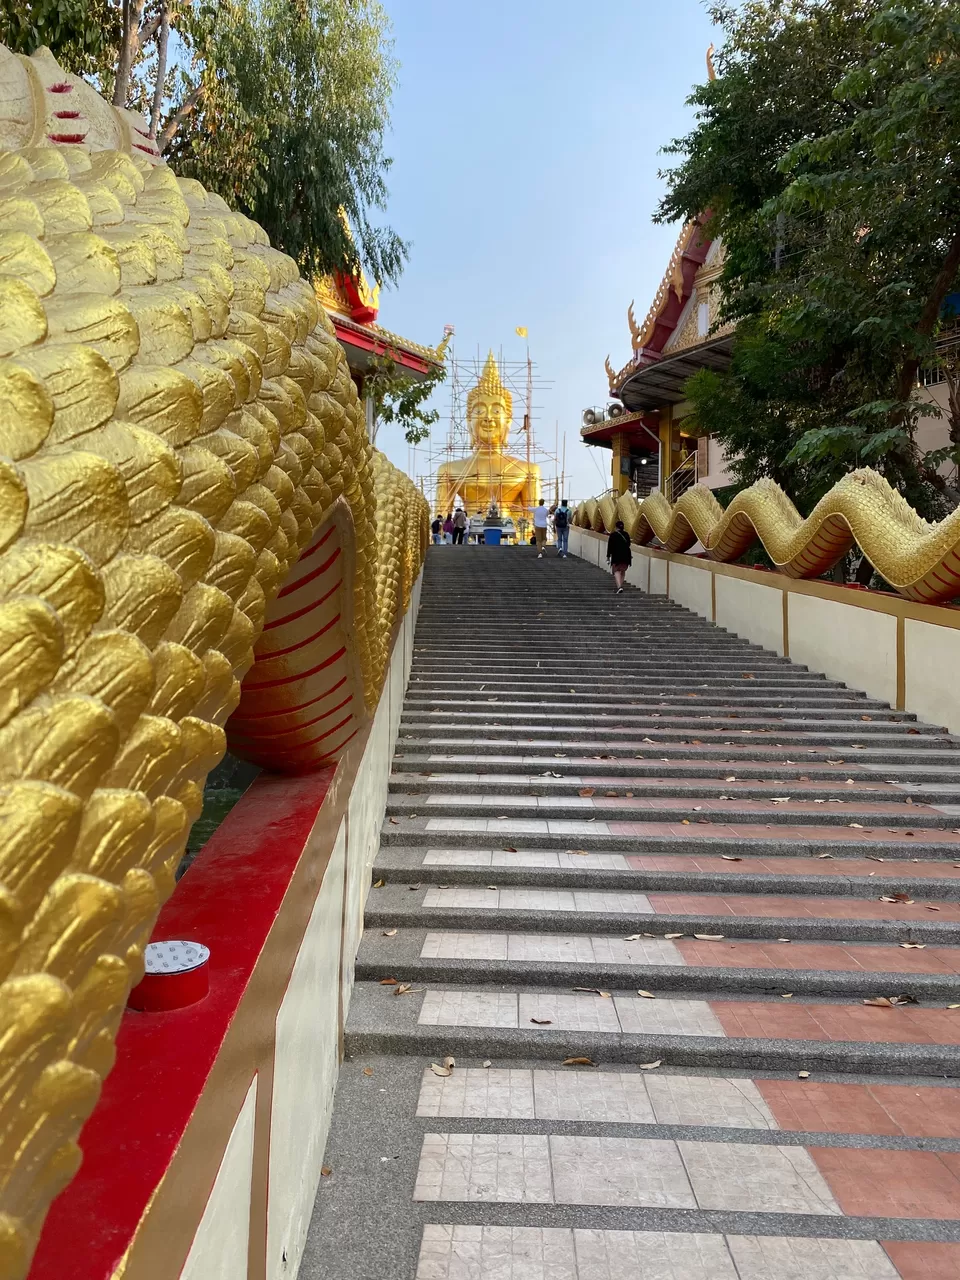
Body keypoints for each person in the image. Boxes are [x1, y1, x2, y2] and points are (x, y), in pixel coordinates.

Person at [607, 519, 632, 593]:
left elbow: (610, 547)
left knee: (616, 570)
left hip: (616, 555)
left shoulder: (613, 535)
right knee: (622, 570)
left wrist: (608, 557)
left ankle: (619, 587)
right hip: (626, 555)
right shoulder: (626, 534)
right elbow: (629, 544)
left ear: (616, 527)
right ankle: (620, 586)